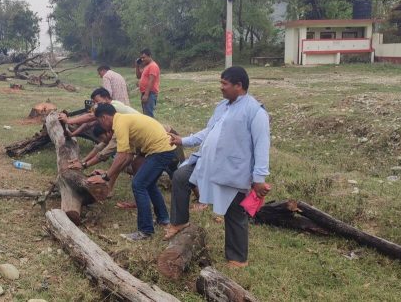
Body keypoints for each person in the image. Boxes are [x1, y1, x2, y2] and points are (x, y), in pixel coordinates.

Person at [165, 66, 270, 268]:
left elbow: (262, 145)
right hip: (207, 162)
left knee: (234, 211)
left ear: (238, 86)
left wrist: (259, 179)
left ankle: (238, 259)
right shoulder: (222, 106)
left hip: (233, 169)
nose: (221, 87)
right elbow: (209, 131)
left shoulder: (255, 112)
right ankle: (179, 221)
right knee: (180, 177)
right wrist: (183, 140)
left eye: (225, 83)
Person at [87, 103, 176, 241]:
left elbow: (122, 155)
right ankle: (163, 219)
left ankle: (145, 231)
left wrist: (105, 177)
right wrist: (107, 174)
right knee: (149, 184)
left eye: (99, 121)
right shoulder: (125, 120)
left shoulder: (120, 123)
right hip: (164, 150)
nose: (101, 125)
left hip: (161, 151)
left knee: (138, 185)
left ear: (104, 117)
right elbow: (128, 155)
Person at [136, 48, 160, 117]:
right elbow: (138, 76)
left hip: (150, 93)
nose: (142, 59)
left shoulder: (153, 66)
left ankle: (152, 127)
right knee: (146, 115)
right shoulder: (146, 66)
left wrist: (146, 95)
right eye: (141, 58)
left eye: (144, 57)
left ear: (149, 56)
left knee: (149, 115)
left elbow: (151, 80)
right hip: (145, 93)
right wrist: (137, 65)